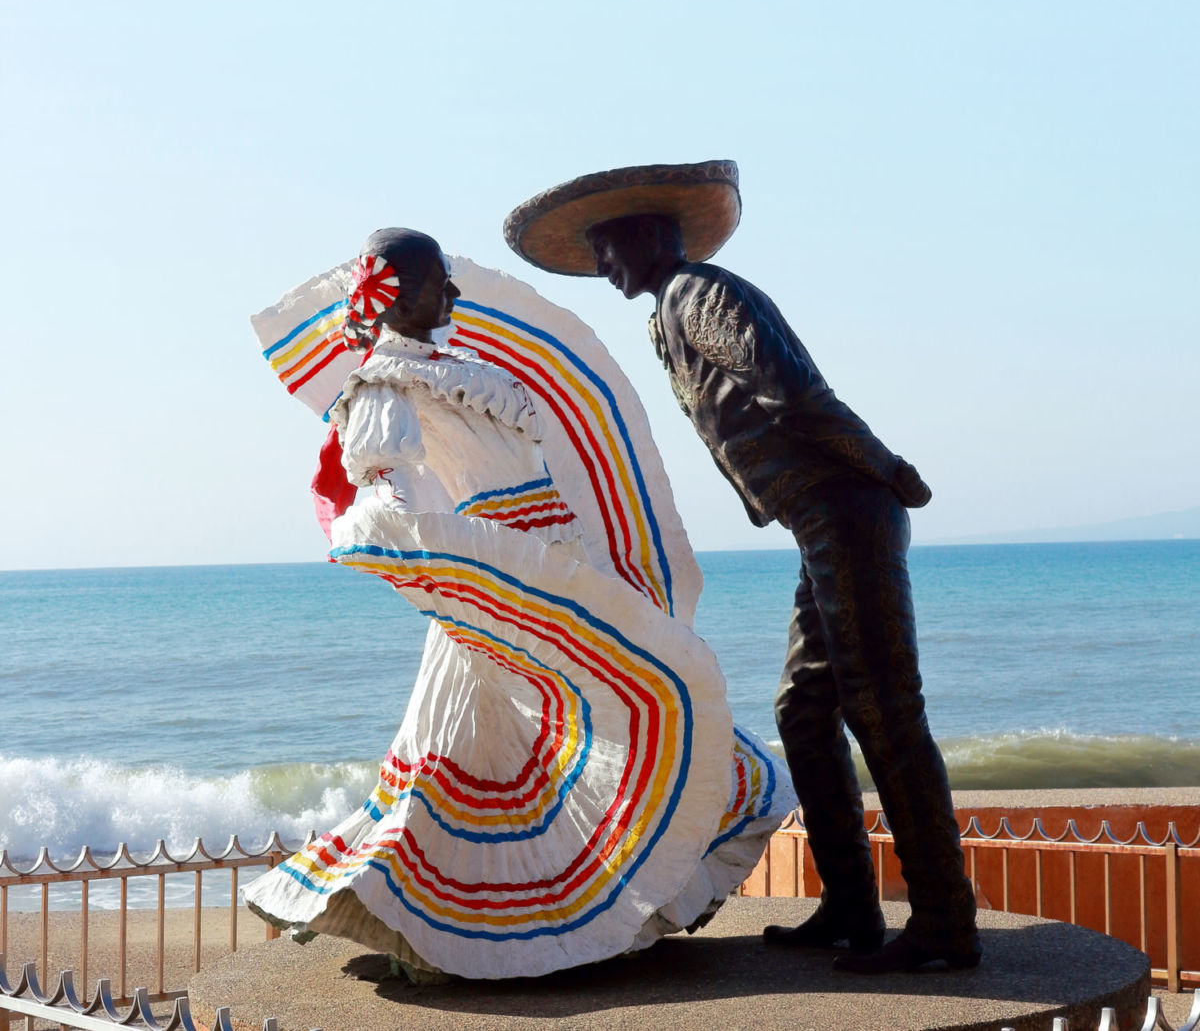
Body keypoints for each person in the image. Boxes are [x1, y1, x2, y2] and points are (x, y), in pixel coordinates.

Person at [243, 227, 795, 980]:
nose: (456, 293)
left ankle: (574, 925)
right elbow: (385, 489)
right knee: (521, 752)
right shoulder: (382, 386)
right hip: (498, 592)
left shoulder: (459, 369)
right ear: (400, 295)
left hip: (550, 579)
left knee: (605, 739)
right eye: (441, 280)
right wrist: (441, 553)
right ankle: (473, 936)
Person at [503, 161, 980, 973]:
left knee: (885, 711)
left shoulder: (700, 296)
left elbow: (788, 390)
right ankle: (853, 907)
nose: (606, 269)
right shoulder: (670, 313)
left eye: (610, 249)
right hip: (818, 518)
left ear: (652, 237)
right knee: (804, 709)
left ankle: (943, 920)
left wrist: (887, 466)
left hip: (846, 507)